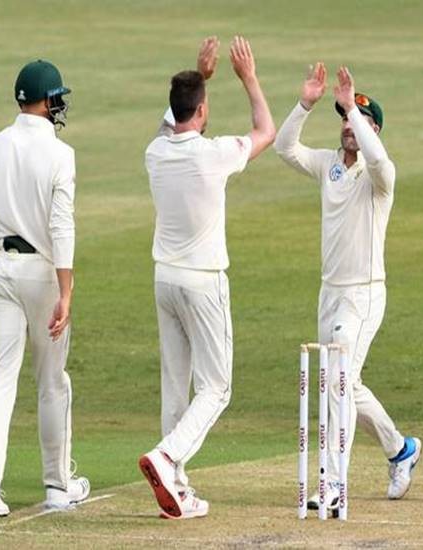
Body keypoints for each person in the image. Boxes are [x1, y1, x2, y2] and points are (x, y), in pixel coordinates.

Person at [137, 36, 275, 520]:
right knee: (217, 387)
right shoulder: (213, 153)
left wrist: (200, 78)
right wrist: (248, 78)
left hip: (165, 280)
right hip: (203, 281)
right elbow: (266, 131)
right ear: (201, 111)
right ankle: (167, 457)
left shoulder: (155, 152)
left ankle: (176, 488)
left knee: (176, 386)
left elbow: (170, 123)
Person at [275, 63, 421, 512]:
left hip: (364, 294)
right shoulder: (328, 165)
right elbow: (284, 148)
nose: (348, 127)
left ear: (373, 129)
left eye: (359, 121)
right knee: (345, 383)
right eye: (343, 119)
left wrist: (354, 109)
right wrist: (305, 104)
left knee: (336, 383)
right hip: (330, 292)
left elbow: (378, 160)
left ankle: (334, 484)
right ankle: (400, 449)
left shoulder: (380, 177)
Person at [0, 59, 90, 517]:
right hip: (42, 274)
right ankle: (58, 486)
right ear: (48, 101)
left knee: (0, 377)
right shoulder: (61, 154)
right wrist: (66, 293)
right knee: (51, 382)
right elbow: (62, 227)